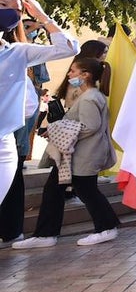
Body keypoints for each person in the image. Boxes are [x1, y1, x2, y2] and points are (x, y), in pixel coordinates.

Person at [14, 57, 119, 248]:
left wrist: (60, 129)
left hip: (84, 155)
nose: (69, 75)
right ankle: (46, 234)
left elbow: (91, 125)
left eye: (73, 71)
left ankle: (106, 227)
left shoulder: (89, 98)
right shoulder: (89, 95)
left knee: (86, 191)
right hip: (75, 155)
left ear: (85, 75)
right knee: (54, 190)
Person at [0, 0, 78, 213]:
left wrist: (42, 16)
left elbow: (69, 49)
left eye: (16, 11)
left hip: (3, 145)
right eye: (3, 4)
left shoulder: (17, 52)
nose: (9, 12)